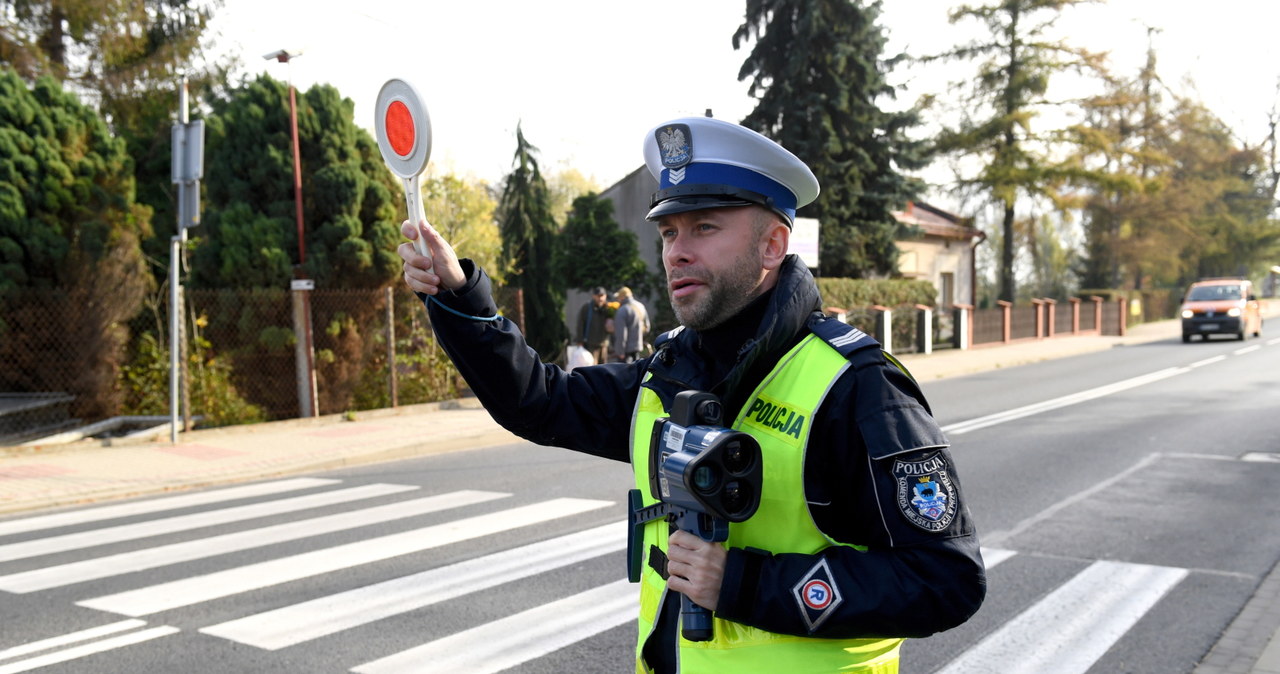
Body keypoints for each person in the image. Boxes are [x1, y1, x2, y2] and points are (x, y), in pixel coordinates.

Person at [398, 116, 985, 673]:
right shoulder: (670, 371)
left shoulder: (856, 386)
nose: (677, 251)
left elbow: (945, 577)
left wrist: (742, 583)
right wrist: (459, 296)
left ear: (773, 245)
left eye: (705, 228)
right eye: (670, 231)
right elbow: (540, 401)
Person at [611, 286, 649, 363]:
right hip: (638, 347)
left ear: (622, 297)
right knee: (636, 371)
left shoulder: (622, 310)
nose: (618, 299)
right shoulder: (641, 306)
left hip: (625, 351)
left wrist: (620, 352)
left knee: (624, 373)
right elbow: (647, 327)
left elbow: (621, 334)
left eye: (618, 297)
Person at [575, 286, 611, 365]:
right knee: (592, 368)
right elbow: (580, 324)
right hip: (590, 344)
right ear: (594, 296)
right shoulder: (587, 307)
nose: (600, 298)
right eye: (598, 296)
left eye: (602, 296)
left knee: (603, 367)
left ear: (605, 296)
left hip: (603, 344)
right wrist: (580, 341)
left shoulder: (609, 308)